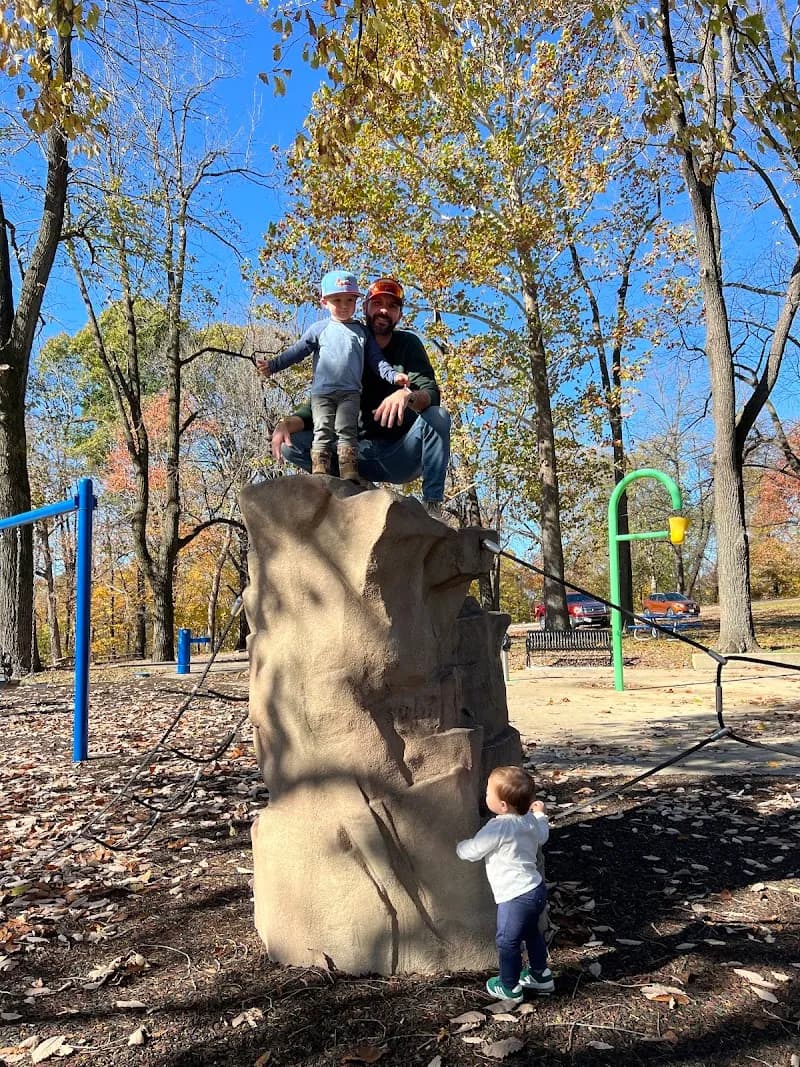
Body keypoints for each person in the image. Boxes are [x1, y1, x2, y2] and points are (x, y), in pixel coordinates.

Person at [269, 277, 451, 515]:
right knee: (290, 445)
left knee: (438, 417)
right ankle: (352, 486)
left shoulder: (408, 343)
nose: (384, 310)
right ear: (364, 308)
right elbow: (326, 397)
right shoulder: (346, 339)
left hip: (399, 453)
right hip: (354, 452)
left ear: (399, 315)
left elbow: (430, 393)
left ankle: (432, 507)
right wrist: (288, 423)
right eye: (377, 304)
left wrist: (407, 396)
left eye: (392, 306)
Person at [258, 270, 408, 481]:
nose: (344, 305)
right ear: (324, 302)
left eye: (349, 300)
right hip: (322, 393)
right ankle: (320, 468)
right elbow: (297, 351)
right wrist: (273, 365)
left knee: (347, 431)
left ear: (357, 302)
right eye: (337, 300)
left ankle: (349, 471)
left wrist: (393, 376)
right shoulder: (319, 329)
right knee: (323, 429)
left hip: (350, 393)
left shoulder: (361, 332)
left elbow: (376, 360)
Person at [456, 766, 554, 1004]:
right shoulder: (529, 820)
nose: (485, 794)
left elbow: (474, 851)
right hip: (535, 890)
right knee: (532, 932)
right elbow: (543, 834)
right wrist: (541, 814)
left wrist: (460, 847)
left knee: (507, 941)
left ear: (502, 806)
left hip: (515, 897)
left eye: (488, 792)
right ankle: (541, 975)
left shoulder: (498, 827)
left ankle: (509, 986)